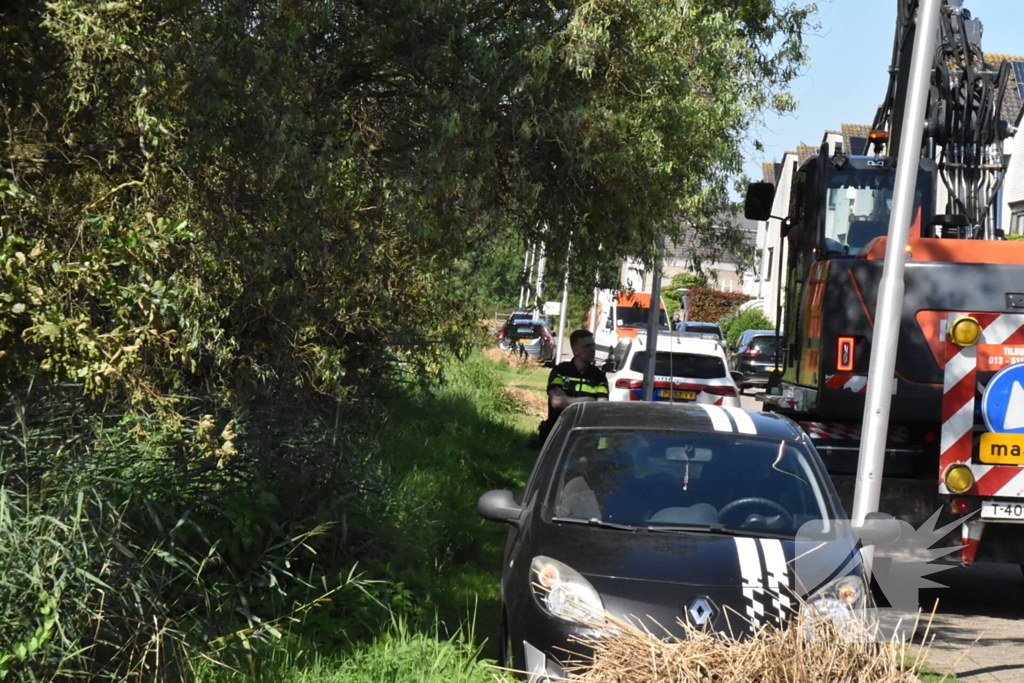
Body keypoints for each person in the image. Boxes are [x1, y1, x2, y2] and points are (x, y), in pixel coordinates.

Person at [537, 329, 609, 446]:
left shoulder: (598, 376)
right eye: (587, 346)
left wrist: (567, 400)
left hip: (586, 438)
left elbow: (600, 407)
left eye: (593, 345)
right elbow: (556, 401)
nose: (592, 350)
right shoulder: (560, 371)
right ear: (576, 351)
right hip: (558, 435)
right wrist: (588, 401)